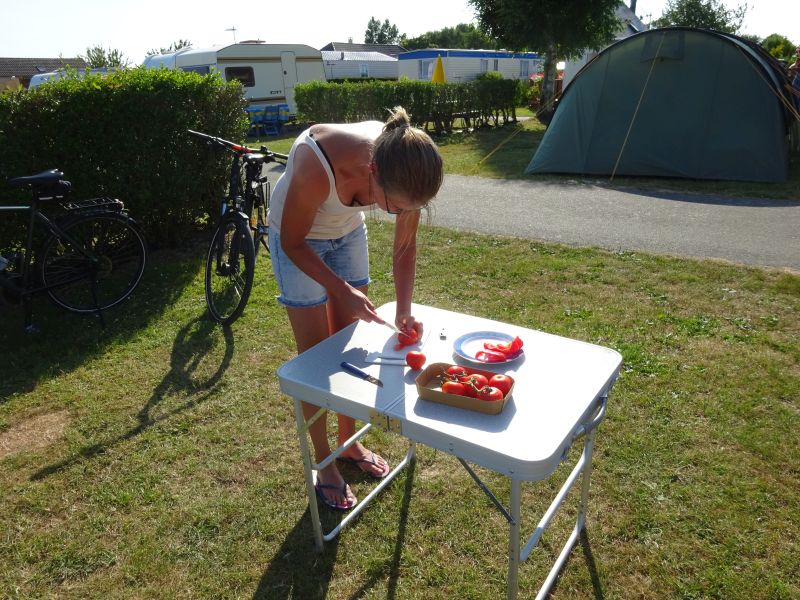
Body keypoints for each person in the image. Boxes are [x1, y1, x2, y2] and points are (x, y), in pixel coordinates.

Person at [268, 107, 443, 510]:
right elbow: (293, 242)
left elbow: (405, 247)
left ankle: (348, 442)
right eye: (394, 208)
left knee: (347, 348)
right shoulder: (316, 163)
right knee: (315, 361)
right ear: (372, 170)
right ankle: (324, 460)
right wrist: (341, 290)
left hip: (345, 233)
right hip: (297, 239)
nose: (399, 215)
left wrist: (403, 310)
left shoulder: (403, 161)